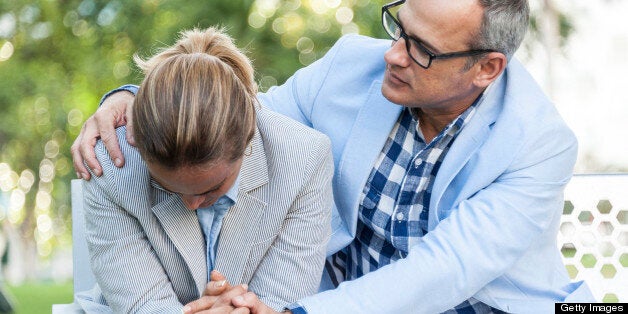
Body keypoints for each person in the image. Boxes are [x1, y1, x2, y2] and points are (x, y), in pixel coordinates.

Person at [72, 0, 596, 313]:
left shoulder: (539, 143)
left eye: (422, 49)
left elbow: (446, 270)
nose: (392, 53)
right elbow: (232, 120)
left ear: (486, 68)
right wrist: (132, 100)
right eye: (399, 27)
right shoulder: (349, 66)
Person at [74, 27, 333, 313]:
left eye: (211, 188)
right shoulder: (112, 163)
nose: (191, 204)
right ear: (139, 146)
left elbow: (278, 300)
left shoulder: (305, 158)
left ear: (248, 140)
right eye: (168, 186)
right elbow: (143, 304)